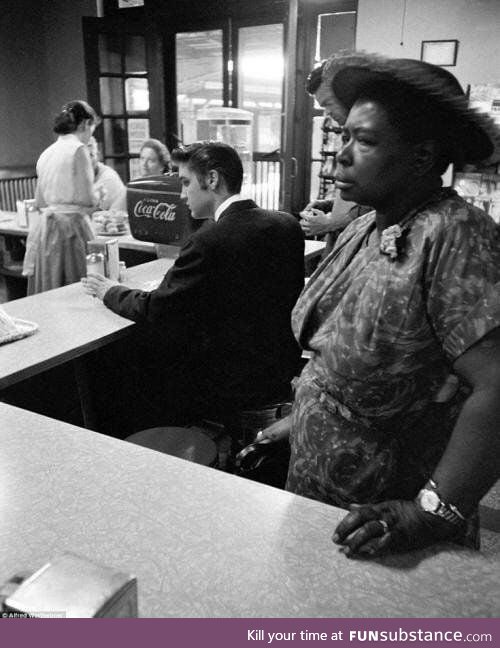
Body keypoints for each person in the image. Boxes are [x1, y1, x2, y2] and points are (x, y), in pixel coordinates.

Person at [259, 52, 500, 557]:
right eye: (343, 136)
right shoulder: (367, 225)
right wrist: (303, 416)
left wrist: (431, 513)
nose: (340, 155)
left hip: (387, 518)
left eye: (364, 140)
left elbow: (497, 384)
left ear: (422, 156)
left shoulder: (454, 234)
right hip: (321, 490)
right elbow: (334, 352)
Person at [82, 141, 305, 441]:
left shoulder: (207, 241)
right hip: (282, 378)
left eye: (186, 183)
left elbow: (155, 308)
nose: (182, 195)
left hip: (231, 387)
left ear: (212, 179)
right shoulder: (287, 225)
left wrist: (110, 290)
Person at [22, 100, 99, 294]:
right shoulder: (79, 150)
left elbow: (40, 201)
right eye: (91, 129)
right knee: (76, 289)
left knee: (52, 286)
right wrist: (99, 195)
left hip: (47, 231)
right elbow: (88, 199)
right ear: (84, 124)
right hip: (71, 230)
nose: (90, 136)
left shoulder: (46, 153)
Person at [300, 57, 371, 252]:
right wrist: (329, 205)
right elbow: (362, 194)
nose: (328, 114)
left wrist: (331, 223)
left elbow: (383, 203)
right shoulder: (350, 139)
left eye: (329, 104)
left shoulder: (377, 143)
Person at [88, 137, 126, 212]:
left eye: (91, 155)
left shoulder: (109, 178)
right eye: (83, 156)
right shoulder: (78, 176)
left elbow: (89, 213)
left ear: (98, 156)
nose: (87, 161)